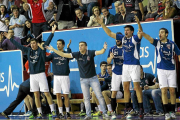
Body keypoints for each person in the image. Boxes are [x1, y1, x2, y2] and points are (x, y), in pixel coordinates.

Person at [46, 41, 110, 120]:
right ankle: (88, 115)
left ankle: (105, 113)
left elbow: (101, 52)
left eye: (82, 45)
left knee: (99, 95)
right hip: (83, 80)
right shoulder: (77, 54)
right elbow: (63, 54)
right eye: (79, 45)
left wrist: (104, 48)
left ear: (86, 47)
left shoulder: (90, 52)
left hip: (93, 78)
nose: (80, 47)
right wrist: (53, 50)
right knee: (86, 98)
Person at [4, 25, 57, 119]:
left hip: (41, 75)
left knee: (47, 93)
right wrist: (11, 39)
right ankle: (39, 112)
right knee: (36, 94)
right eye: (31, 43)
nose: (32, 45)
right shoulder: (28, 50)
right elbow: (19, 46)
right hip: (32, 76)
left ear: (37, 44)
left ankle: (53, 111)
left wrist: (52, 33)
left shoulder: (41, 50)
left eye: (34, 43)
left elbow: (47, 42)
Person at [96, 15, 144, 119]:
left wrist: (139, 23)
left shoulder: (135, 39)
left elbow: (140, 32)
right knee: (125, 87)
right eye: (125, 30)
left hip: (134, 65)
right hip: (125, 66)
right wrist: (102, 23)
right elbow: (109, 33)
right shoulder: (122, 39)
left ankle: (141, 108)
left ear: (131, 31)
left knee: (136, 87)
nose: (125, 32)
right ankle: (127, 108)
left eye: (127, 30)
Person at [138, 27, 180, 120]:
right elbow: (149, 38)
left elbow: (179, 54)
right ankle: (166, 113)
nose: (160, 34)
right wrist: (143, 33)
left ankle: (172, 111)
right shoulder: (157, 42)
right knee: (163, 91)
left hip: (171, 70)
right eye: (159, 32)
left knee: (172, 91)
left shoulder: (172, 44)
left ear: (166, 34)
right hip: (161, 70)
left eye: (162, 32)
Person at [45, 39, 72, 119]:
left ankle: (67, 112)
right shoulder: (53, 54)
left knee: (66, 95)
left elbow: (70, 57)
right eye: (57, 44)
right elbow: (46, 59)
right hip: (56, 77)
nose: (58, 45)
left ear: (63, 45)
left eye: (60, 44)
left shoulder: (66, 53)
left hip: (65, 76)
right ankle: (60, 113)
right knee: (58, 95)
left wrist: (68, 48)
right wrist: (42, 50)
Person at [107, 32, 124, 119]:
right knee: (113, 92)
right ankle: (113, 111)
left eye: (119, 38)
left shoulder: (126, 48)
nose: (117, 40)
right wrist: (111, 58)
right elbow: (108, 61)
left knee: (128, 91)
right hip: (116, 72)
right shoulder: (112, 49)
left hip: (126, 72)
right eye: (116, 39)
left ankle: (128, 110)